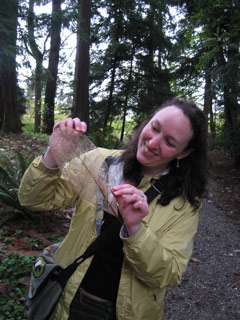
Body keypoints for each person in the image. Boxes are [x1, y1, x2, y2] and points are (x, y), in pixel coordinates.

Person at [18, 97, 209, 320]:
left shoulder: (182, 203)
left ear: (183, 153)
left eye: (169, 142)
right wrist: (54, 153)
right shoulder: (99, 162)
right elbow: (32, 199)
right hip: (68, 297)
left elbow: (169, 273)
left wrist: (136, 229)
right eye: (154, 128)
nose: (153, 142)